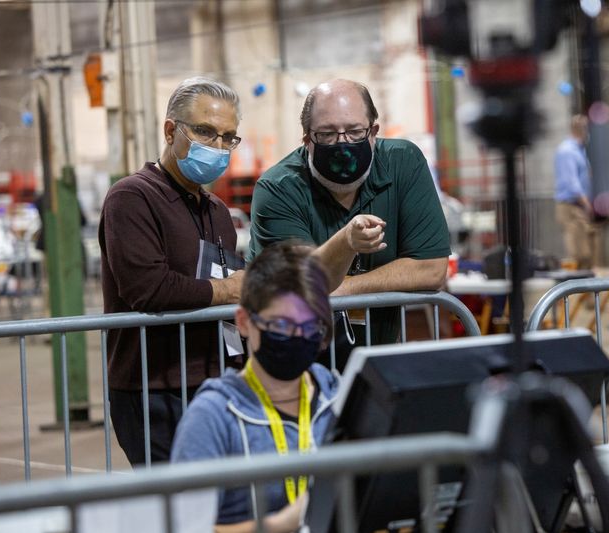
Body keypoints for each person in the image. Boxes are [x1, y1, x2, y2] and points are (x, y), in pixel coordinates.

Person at [247, 79, 449, 365]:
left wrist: (342, 289)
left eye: (355, 131)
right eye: (327, 134)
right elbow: (298, 286)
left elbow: (431, 269)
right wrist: (345, 243)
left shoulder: (404, 162)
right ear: (307, 139)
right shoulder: (278, 188)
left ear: (373, 133)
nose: (343, 144)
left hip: (376, 361)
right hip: (295, 366)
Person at [98, 77, 244, 466]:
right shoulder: (132, 197)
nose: (218, 145)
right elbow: (147, 288)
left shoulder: (217, 211)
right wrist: (228, 291)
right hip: (153, 389)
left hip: (215, 382)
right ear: (170, 130)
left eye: (228, 137)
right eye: (205, 131)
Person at [171, 242, 337, 532]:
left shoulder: (338, 398)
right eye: (282, 326)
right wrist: (281, 524)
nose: (297, 337)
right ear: (245, 322)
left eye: (311, 328)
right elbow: (186, 527)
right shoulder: (213, 416)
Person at [554, 114, 597, 269]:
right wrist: (586, 202)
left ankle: (587, 289)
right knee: (579, 251)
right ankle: (576, 289)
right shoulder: (567, 151)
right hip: (571, 206)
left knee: (588, 250)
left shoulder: (579, 150)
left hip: (579, 205)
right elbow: (571, 182)